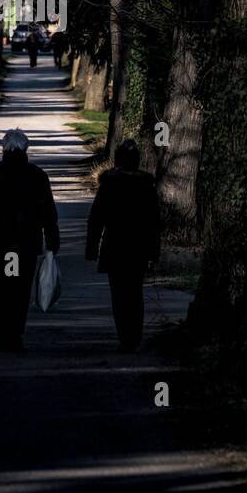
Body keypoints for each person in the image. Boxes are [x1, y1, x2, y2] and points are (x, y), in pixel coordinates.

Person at [0, 128, 60, 351]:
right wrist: (51, 239)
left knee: (5, 286)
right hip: (27, 243)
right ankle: (15, 333)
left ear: (4, 148)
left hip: (3, 243)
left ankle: (3, 334)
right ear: (26, 148)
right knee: (21, 289)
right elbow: (49, 212)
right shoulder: (37, 175)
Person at [85, 138, 160, 352]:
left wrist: (92, 247)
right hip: (139, 247)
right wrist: (154, 252)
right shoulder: (146, 185)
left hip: (115, 245)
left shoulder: (110, 183)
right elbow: (154, 222)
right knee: (135, 292)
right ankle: (134, 336)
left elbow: (97, 217)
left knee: (119, 294)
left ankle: (124, 337)